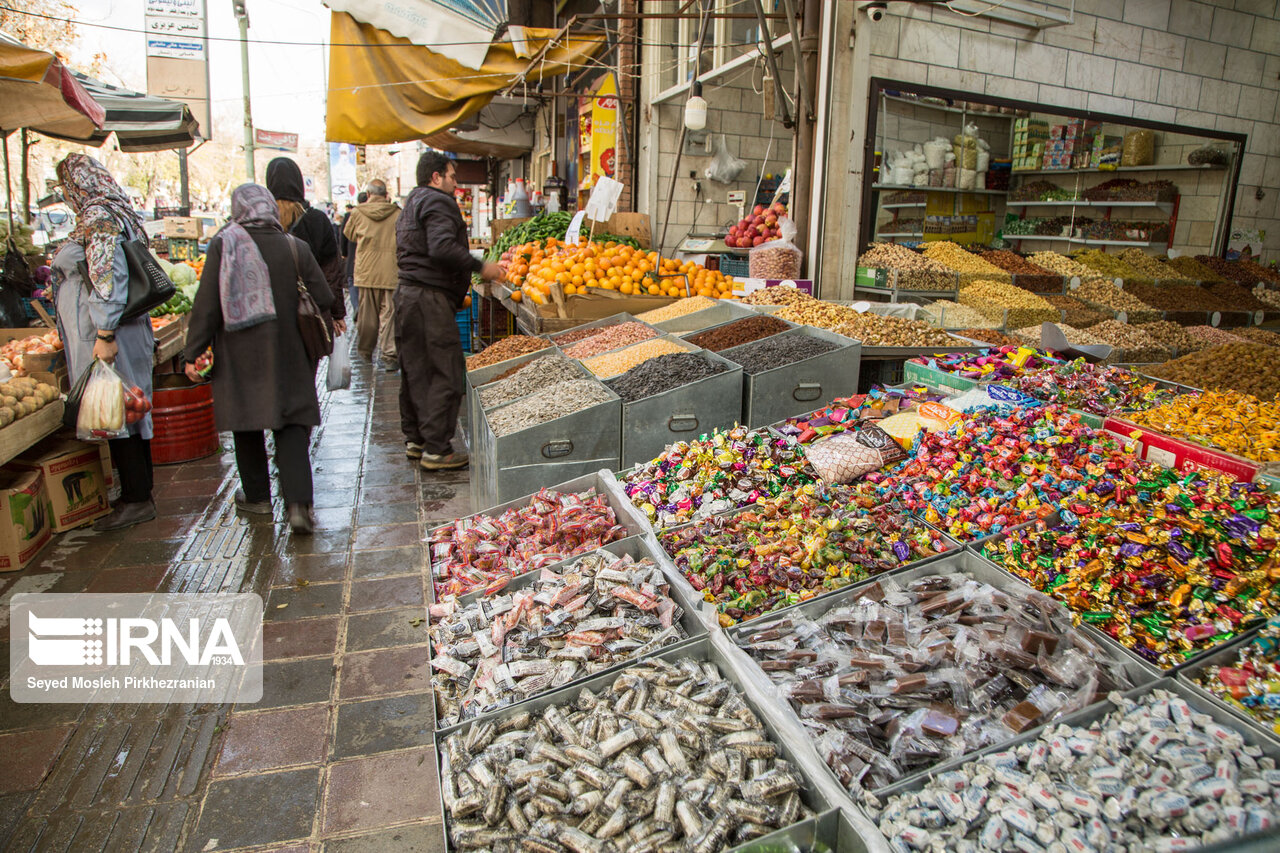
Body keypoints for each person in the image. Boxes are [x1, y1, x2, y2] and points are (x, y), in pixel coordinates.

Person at [182, 184, 334, 534]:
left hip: (240, 354)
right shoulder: (294, 246)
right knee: (292, 425)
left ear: (239, 209)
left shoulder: (225, 243)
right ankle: (299, 505)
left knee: (247, 424)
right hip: (290, 351)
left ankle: (257, 499)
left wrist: (193, 354)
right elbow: (322, 295)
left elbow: (206, 305)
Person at [52, 154, 156, 531]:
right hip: (120, 329)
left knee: (115, 410)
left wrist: (104, 333)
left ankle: (136, 498)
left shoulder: (98, 216)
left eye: (66, 186)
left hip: (110, 331)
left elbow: (107, 275)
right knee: (127, 408)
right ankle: (138, 489)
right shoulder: (119, 210)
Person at [395, 151, 503, 470]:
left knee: (415, 369)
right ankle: (438, 450)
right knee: (446, 370)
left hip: (408, 295)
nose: (457, 184)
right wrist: (481, 266)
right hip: (429, 299)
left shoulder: (412, 202)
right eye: (453, 177)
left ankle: (416, 440)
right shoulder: (439, 201)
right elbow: (441, 247)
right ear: (436, 177)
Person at [264, 157, 347, 336]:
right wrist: (337, 313)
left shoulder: (262, 221)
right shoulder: (316, 220)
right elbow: (331, 273)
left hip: (272, 314)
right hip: (310, 312)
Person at [344, 181, 401, 367]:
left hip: (366, 270)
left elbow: (350, 235)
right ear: (386, 194)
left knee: (367, 316)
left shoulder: (358, 213)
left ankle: (366, 350)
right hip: (390, 270)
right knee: (389, 316)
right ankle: (390, 355)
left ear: (368, 194)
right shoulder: (397, 213)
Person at [339, 192, 367, 320]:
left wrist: (344, 253)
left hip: (353, 257)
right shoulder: (369, 215)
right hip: (367, 259)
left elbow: (343, 237)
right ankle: (363, 310)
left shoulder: (350, 216)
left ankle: (357, 308)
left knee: (352, 282)